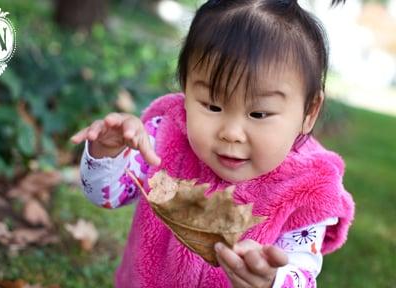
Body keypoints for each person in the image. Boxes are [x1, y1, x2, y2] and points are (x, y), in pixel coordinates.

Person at [71, 0, 355, 287]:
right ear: (186, 87)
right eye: (212, 105)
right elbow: (105, 196)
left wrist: (272, 279)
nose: (231, 133)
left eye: (258, 113)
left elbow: (303, 275)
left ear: (309, 112)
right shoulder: (165, 136)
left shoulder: (305, 187)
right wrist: (109, 151)